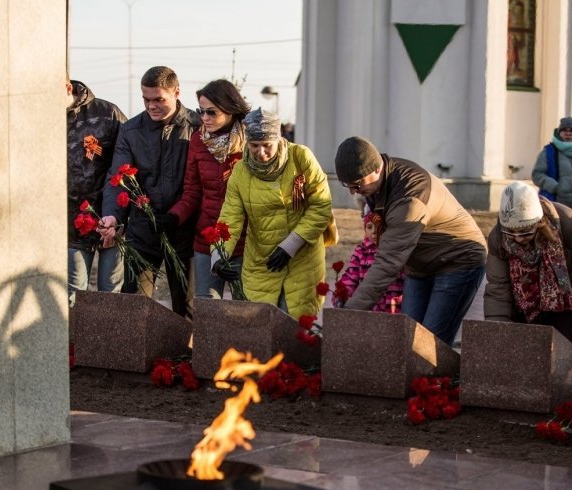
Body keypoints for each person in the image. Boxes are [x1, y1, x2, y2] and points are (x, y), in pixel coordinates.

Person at [333, 136, 488, 346]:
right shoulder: (376, 183)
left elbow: (388, 262)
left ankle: (438, 378)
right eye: (347, 185)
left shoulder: (409, 197)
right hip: (421, 265)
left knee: (429, 346)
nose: (352, 191)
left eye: (357, 184)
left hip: (458, 261)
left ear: (377, 169)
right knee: (407, 341)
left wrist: (351, 312)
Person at [100, 66, 200, 317]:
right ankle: (134, 355)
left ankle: (185, 355)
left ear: (176, 93)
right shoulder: (131, 130)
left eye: (159, 99)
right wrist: (112, 215)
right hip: (143, 230)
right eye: (146, 99)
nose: (151, 106)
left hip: (184, 230)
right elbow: (117, 178)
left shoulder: (198, 127)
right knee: (134, 304)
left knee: (186, 306)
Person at [215, 108, 332, 318]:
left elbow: (320, 207)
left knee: (294, 325)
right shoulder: (240, 172)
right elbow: (229, 217)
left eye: (267, 145)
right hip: (262, 260)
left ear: (279, 140)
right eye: (254, 146)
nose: (261, 153)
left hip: (302, 258)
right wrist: (219, 256)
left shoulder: (301, 158)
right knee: (262, 328)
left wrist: (291, 246)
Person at [484, 181, 572, 348]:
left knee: (558, 360)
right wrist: (497, 330)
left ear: (539, 222)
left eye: (526, 232)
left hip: (565, 306)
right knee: (527, 360)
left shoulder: (570, 226)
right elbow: (498, 288)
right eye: (511, 232)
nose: (518, 238)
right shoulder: (498, 238)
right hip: (524, 308)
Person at [164, 79, 249, 299]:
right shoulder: (198, 140)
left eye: (211, 112)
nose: (204, 118)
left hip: (245, 241)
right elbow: (192, 191)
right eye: (201, 111)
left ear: (230, 109)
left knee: (245, 309)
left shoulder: (250, 143)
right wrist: (174, 216)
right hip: (206, 238)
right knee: (206, 307)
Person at [66, 79, 126, 306]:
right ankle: (72, 343)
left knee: (109, 297)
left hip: (110, 219)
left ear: (67, 87)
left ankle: (107, 342)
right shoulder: (43, 119)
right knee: (72, 295)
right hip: (72, 225)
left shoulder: (107, 114)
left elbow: (125, 164)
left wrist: (118, 217)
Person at [332, 213, 404, 313]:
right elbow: (350, 278)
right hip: (370, 311)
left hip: (394, 310)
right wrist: (342, 295)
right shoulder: (361, 251)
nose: (374, 232)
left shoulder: (399, 251)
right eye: (369, 227)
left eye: (379, 227)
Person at [532, 116, 572, 213]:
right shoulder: (549, 151)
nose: (568, 133)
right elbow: (537, 175)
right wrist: (555, 187)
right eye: (564, 130)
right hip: (557, 207)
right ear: (559, 132)